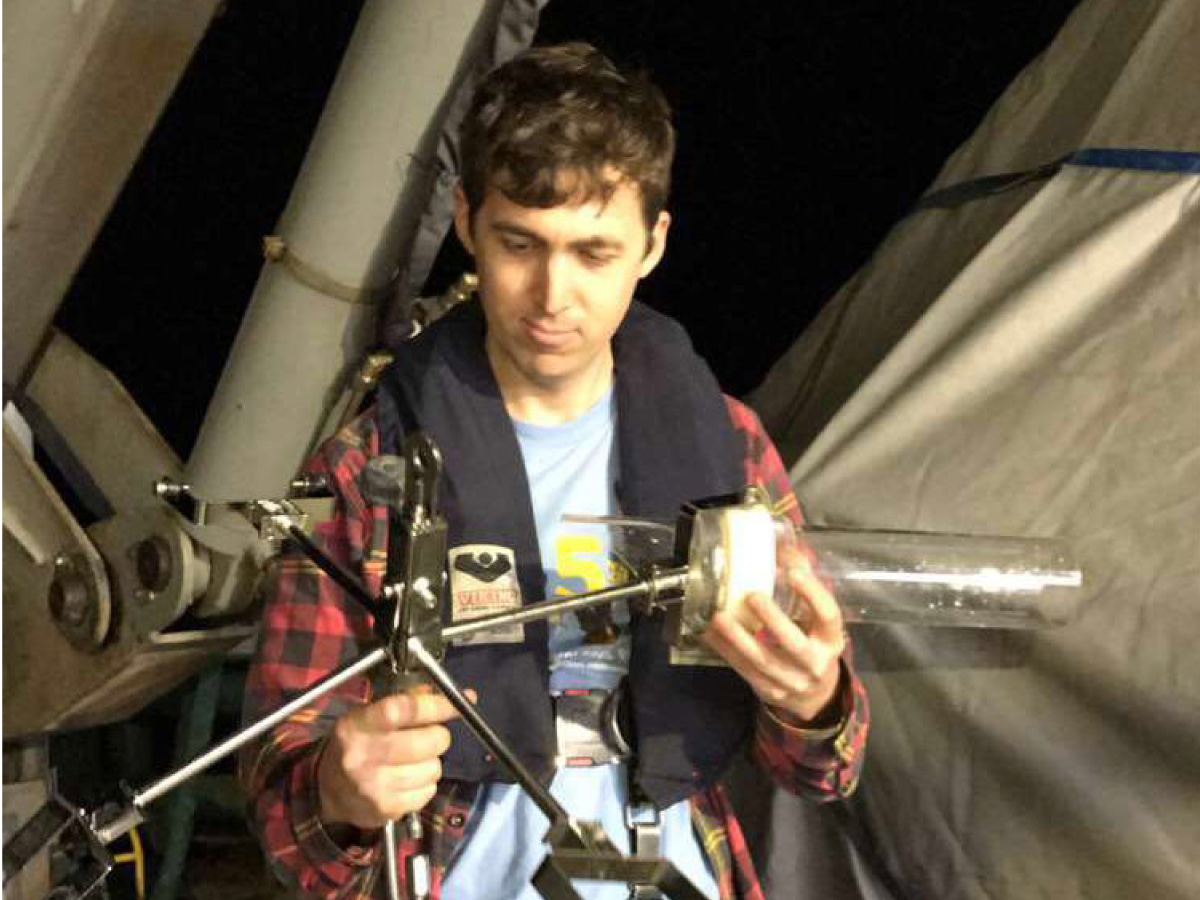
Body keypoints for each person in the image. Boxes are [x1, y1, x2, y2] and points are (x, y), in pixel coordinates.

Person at [241, 42, 868, 900]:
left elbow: (825, 772)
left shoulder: (731, 448)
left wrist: (816, 698)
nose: (552, 296)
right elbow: (286, 830)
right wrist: (337, 794)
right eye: (519, 244)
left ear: (653, 245)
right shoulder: (364, 472)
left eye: (594, 253)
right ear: (465, 221)